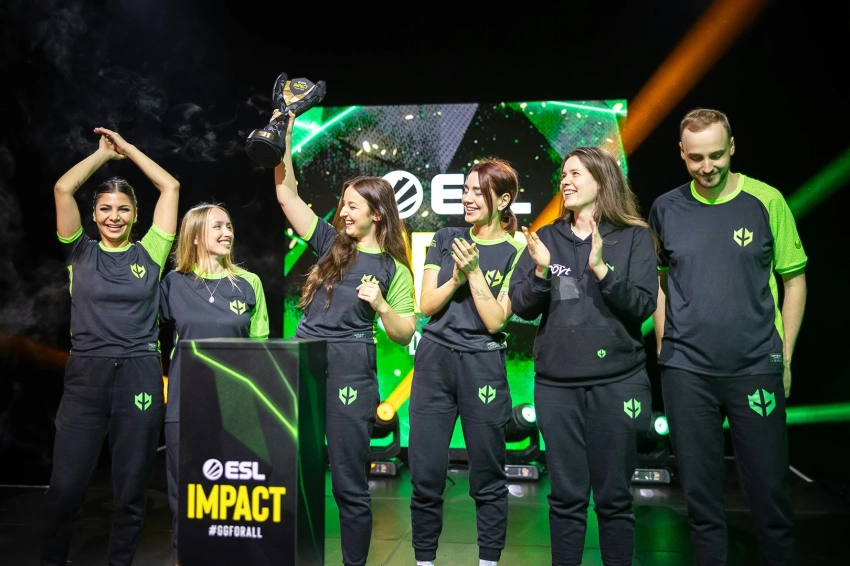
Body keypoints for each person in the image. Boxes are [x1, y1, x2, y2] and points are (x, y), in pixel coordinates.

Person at [649, 108, 807, 565]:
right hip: (686, 372)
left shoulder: (766, 200)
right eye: (696, 157)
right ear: (682, 153)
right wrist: (664, 348)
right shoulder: (666, 208)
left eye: (716, 155)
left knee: (770, 496)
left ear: (732, 147)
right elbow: (660, 281)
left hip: (756, 367)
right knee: (700, 502)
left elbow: (794, 279)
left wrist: (785, 357)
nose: (707, 166)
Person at [272, 110, 416, 566]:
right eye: (343, 204)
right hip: (303, 358)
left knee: (349, 485)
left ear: (377, 213)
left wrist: (382, 306)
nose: (344, 211)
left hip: (352, 369)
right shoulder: (330, 244)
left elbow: (404, 333)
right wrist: (285, 136)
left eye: (353, 205)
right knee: (289, 474)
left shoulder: (394, 269)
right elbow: (285, 193)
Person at [509, 147, 657, 566]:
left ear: (601, 180)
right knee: (566, 498)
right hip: (557, 386)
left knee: (614, 499)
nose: (565, 181)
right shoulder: (547, 237)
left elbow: (643, 305)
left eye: (575, 173)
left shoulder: (633, 237)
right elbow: (521, 306)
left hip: (618, 383)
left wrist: (602, 269)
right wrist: (541, 272)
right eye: (563, 174)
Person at [44, 127, 179, 565]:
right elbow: (63, 188)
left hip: (139, 375)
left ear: (136, 214)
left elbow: (170, 186)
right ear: (94, 214)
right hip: (86, 376)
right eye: (105, 208)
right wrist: (103, 155)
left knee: (130, 494)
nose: (114, 216)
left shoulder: (151, 252)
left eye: (123, 209)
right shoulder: (79, 252)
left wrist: (130, 149)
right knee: (65, 490)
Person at [408, 157, 526, 566]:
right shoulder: (446, 237)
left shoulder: (516, 250)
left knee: (488, 474)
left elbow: (496, 321)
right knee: (425, 472)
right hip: (434, 361)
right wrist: (456, 278)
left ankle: (488, 561)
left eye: (479, 191)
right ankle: (424, 560)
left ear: (503, 200)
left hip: (483, 364)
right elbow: (426, 305)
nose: (468, 198)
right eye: (465, 190)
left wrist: (474, 273)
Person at [159, 202, 269, 556]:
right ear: (194, 236)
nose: (227, 233)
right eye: (217, 227)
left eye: (229, 226)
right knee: (186, 501)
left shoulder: (249, 283)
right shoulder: (173, 284)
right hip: (186, 405)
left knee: (236, 504)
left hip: (237, 411)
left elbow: (261, 352)